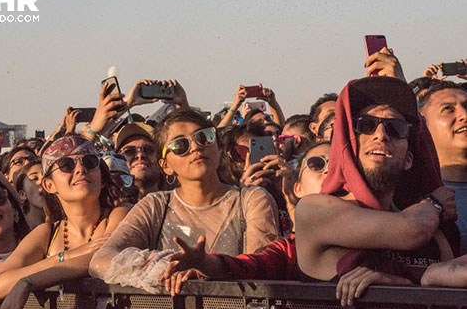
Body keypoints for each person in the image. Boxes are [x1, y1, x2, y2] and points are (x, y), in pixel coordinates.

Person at [89, 110, 280, 290]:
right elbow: (101, 261)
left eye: (204, 137)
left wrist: (203, 267)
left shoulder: (251, 200)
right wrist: (165, 266)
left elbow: (259, 269)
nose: (196, 147)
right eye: (180, 145)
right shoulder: (155, 205)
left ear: (219, 149)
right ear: (165, 165)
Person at [296, 76, 457, 287]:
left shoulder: (432, 228)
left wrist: (398, 283)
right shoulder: (314, 211)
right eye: (366, 125)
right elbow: (411, 230)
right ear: (349, 146)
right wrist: (436, 202)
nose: (381, 135)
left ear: (409, 159)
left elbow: (446, 295)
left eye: (396, 128)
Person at [0, 135, 131, 309]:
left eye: (90, 162)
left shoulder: (121, 214)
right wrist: (63, 257)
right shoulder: (46, 233)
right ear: (49, 185)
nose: (81, 169)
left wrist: (29, 280)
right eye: (66, 165)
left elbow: (103, 258)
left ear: (102, 177)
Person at [158, 142, 331, 296]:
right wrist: (204, 263)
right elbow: (251, 266)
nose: (330, 170)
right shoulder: (289, 251)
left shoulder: (358, 243)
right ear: (298, 188)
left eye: (339, 165)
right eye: (317, 164)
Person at [418, 81, 467, 254]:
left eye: (466, 106)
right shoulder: (414, 199)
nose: (464, 115)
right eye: (448, 109)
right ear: (423, 128)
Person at [116, 122, 164, 200]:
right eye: (129, 151)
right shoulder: (109, 208)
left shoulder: (179, 203)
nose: (140, 155)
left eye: (149, 150)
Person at [14, 160, 45, 230]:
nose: (42, 181)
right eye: (35, 178)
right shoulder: (16, 231)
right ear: (22, 194)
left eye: (46, 176)